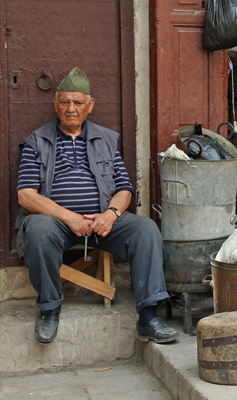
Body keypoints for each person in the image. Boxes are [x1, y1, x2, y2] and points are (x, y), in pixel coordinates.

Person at [15, 67, 179, 345]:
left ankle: (149, 317)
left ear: (89, 106)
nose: (70, 109)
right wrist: (70, 218)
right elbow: (26, 196)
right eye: (64, 102)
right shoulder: (37, 141)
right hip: (58, 224)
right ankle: (49, 308)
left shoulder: (105, 140)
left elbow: (125, 190)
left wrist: (110, 215)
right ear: (55, 103)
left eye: (78, 102)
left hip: (103, 222)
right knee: (38, 230)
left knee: (146, 229)